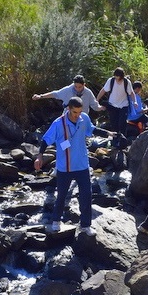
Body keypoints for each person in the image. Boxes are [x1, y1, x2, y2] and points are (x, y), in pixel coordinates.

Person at [33, 96, 97, 236]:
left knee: (86, 195)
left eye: (80, 112)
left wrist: (109, 133)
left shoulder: (84, 118)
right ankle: (56, 221)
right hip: (65, 167)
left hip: (82, 165)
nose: (77, 115)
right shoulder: (58, 124)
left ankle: (86, 225)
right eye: (75, 112)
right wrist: (40, 156)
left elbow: (91, 129)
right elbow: (46, 139)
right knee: (61, 195)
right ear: (68, 109)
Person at [97, 67, 138, 148]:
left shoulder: (126, 82)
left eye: (118, 77)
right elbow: (103, 90)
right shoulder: (111, 81)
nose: (117, 79)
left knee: (122, 123)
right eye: (115, 77)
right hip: (112, 105)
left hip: (123, 105)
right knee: (114, 124)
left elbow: (131, 93)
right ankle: (114, 142)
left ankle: (123, 142)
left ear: (122, 77)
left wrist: (135, 102)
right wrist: (97, 99)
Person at [32, 74, 104, 115]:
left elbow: (95, 106)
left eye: (80, 87)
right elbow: (55, 94)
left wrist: (102, 107)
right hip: (67, 118)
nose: (77, 89)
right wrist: (41, 96)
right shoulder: (68, 90)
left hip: (81, 119)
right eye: (76, 86)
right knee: (65, 138)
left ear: (84, 85)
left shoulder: (88, 93)